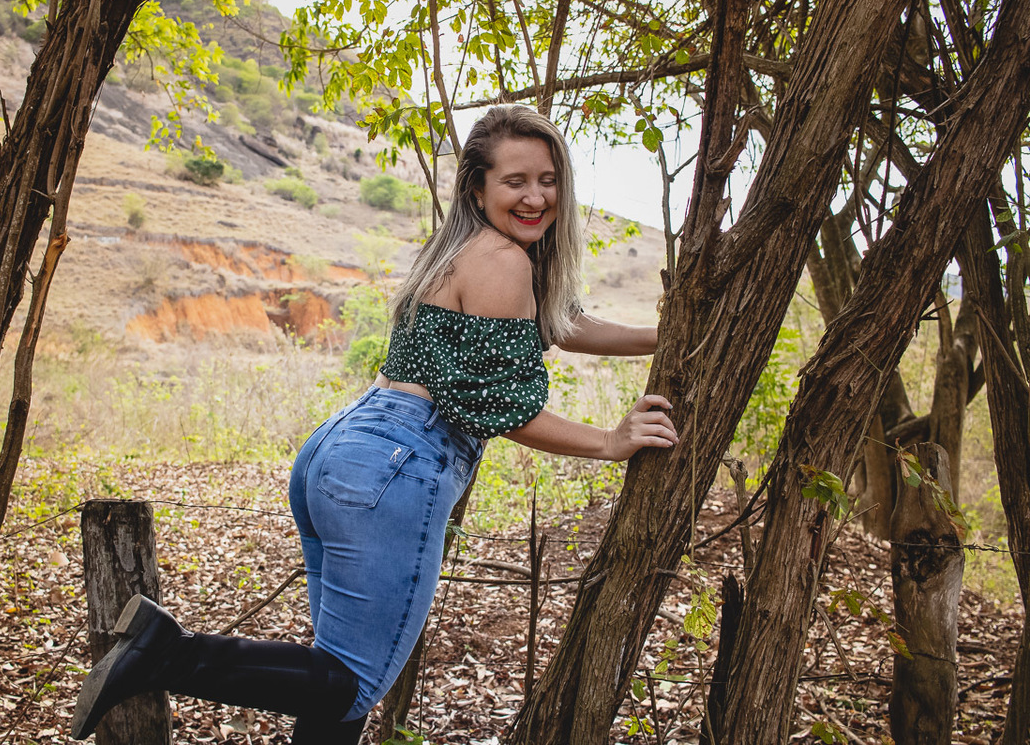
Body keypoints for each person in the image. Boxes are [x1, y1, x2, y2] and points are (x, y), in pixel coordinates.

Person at [71, 105, 678, 743]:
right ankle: (167, 654)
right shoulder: (502, 261)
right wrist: (611, 443)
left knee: (333, 694)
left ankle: (167, 654)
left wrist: (660, 336)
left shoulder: (464, 251)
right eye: (515, 181)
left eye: (548, 179)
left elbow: (562, 322)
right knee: (350, 685)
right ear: (477, 187)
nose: (535, 197)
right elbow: (501, 409)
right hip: (395, 468)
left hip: (344, 452)